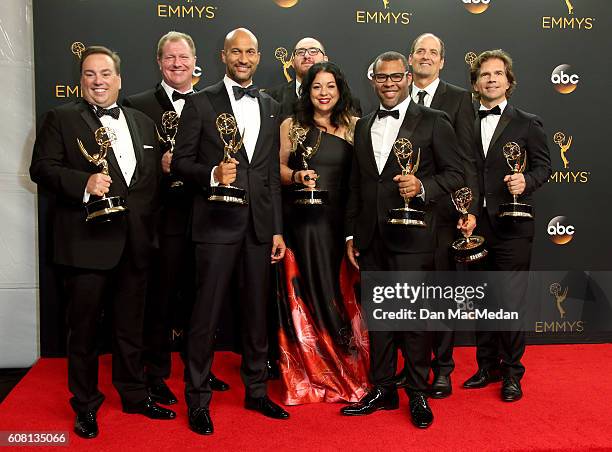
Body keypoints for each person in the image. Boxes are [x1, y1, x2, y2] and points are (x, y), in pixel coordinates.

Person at [29, 46, 176, 439]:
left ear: (119, 79)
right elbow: (41, 168)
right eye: (90, 74)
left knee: (131, 328)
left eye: (106, 73)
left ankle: (133, 394)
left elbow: (148, 186)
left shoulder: (143, 123)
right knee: (84, 332)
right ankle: (86, 405)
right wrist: (84, 183)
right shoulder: (60, 119)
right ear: (81, 80)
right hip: (86, 243)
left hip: (137, 245)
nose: (98, 81)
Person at [171, 28, 289, 435]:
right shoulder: (200, 103)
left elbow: (271, 174)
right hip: (215, 226)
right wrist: (212, 175)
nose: (243, 58)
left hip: (258, 228)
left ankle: (256, 391)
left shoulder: (272, 106)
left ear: (259, 57)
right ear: (222, 55)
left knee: (257, 313)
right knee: (205, 315)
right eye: (236, 51)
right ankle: (198, 398)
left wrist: (275, 229)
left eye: (251, 51)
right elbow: (180, 163)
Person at [340, 51, 464, 428]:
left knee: (411, 320)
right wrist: (351, 233)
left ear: (408, 77)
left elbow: (456, 174)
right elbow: (358, 187)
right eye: (382, 77)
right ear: (373, 80)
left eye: (396, 76)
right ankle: (383, 390)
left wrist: (423, 186)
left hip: (413, 238)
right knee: (380, 318)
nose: (389, 83)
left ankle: (417, 393)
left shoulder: (434, 121)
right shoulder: (362, 126)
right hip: (372, 238)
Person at [123, 31, 229, 406]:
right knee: (161, 298)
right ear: (159, 62)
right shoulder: (135, 105)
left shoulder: (214, 104)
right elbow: (124, 163)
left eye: (183, 57)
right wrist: (159, 163)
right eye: (170, 58)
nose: (177, 64)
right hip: (162, 218)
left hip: (206, 215)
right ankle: (154, 373)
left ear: (195, 60)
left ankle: (199, 367)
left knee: (200, 299)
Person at [462, 49, 551, 402]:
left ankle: (513, 373)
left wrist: (525, 182)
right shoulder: (464, 121)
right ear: (476, 83)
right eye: (484, 74)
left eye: (498, 73)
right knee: (483, 298)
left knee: (510, 301)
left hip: (513, 225)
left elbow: (544, 167)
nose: (491, 79)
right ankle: (487, 366)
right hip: (475, 225)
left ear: (509, 82)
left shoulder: (528, 123)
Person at [393, 33, 479, 398]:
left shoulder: (460, 99)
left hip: (444, 213)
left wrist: (467, 207)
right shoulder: (394, 96)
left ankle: (442, 368)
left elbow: (467, 160)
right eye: (420, 51)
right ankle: (413, 367)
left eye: (433, 52)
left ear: (443, 61)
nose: (426, 57)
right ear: (409, 59)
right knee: (410, 297)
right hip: (403, 217)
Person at [276, 61, 368, 405]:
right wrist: (296, 177)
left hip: (340, 224)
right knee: (308, 292)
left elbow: (362, 181)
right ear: (307, 90)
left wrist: (354, 229)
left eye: (330, 86)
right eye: (317, 86)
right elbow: (277, 168)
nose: (324, 93)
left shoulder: (355, 127)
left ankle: (346, 366)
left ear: (340, 90)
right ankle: (310, 370)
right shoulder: (291, 125)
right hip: (303, 222)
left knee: (339, 293)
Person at [266, 37, 328, 120]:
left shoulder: (339, 97)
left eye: (313, 51)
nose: (306, 56)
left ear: (325, 60)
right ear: (292, 62)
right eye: (300, 52)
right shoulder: (271, 99)